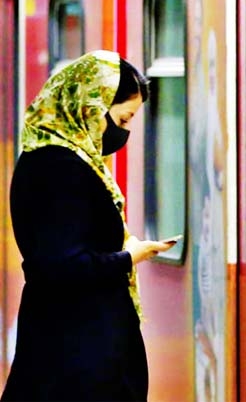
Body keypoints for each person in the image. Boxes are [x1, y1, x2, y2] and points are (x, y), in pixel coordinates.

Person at [1, 50, 175, 401]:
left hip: (73, 354)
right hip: (73, 363)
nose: (123, 132)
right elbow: (64, 265)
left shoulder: (56, 159)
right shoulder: (58, 168)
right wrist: (130, 256)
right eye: (123, 120)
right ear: (91, 107)